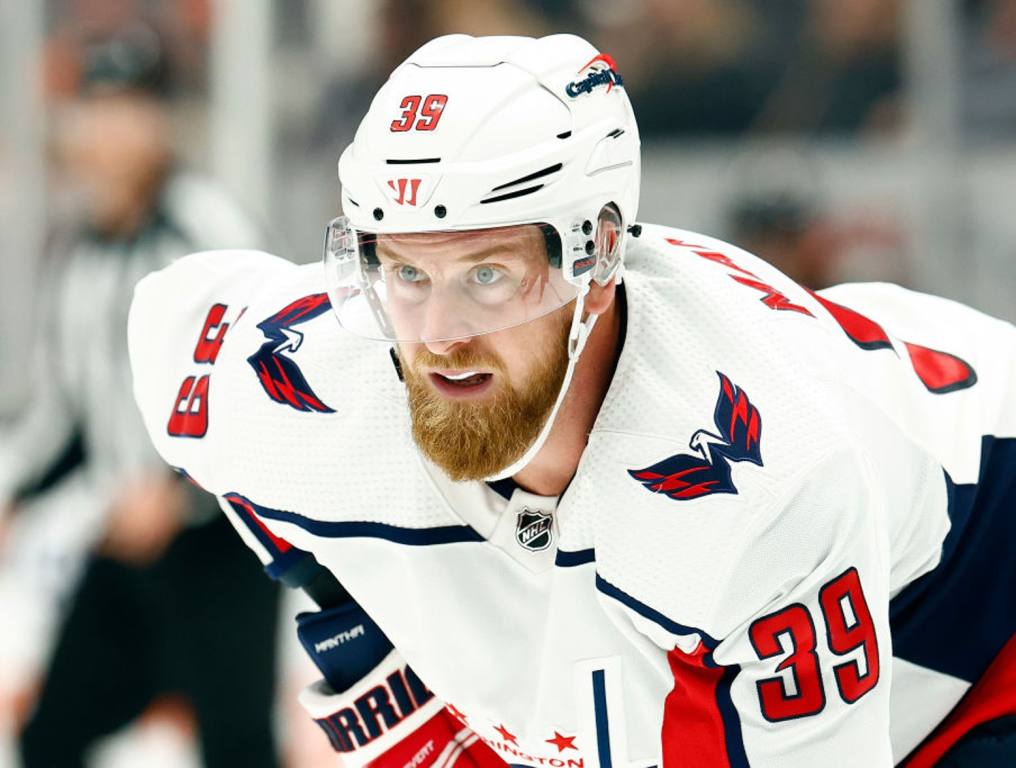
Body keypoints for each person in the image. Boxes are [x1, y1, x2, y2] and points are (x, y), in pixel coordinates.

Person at [127, 34, 1015, 767]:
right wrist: (356, 622)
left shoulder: (766, 489)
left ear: (594, 261)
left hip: (983, 593)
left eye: (487, 272)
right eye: (405, 268)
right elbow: (171, 326)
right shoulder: (306, 379)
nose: (438, 333)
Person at [0, 30, 281, 768]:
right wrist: (9, 490)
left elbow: (267, 388)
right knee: (48, 735)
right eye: (97, 110)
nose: (112, 132)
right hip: (124, 547)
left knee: (238, 747)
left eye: (131, 109)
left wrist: (178, 490)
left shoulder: (205, 229)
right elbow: (65, 416)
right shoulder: (77, 248)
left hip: (222, 542)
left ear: (163, 122)